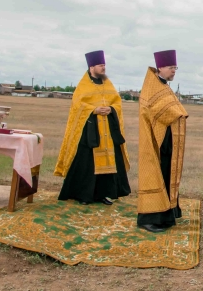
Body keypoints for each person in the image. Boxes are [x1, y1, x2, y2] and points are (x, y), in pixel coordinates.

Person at [55, 50, 132, 206]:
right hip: (89, 130)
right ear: (91, 67)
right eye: (100, 65)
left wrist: (111, 109)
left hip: (108, 131)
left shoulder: (108, 83)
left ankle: (105, 194)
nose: (103, 68)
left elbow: (117, 102)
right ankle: (83, 194)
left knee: (110, 161)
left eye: (104, 65)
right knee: (86, 163)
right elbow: (77, 106)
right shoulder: (83, 85)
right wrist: (93, 110)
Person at [137, 50, 189, 232]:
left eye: (175, 67)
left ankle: (166, 215)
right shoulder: (152, 86)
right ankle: (148, 219)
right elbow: (156, 108)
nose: (174, 70)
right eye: (171, 67)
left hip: (167, 141)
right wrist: (178, 113)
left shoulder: (164, 85)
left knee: (166, 175)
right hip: (155, 141)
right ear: (160, 67)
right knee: (155, 176)